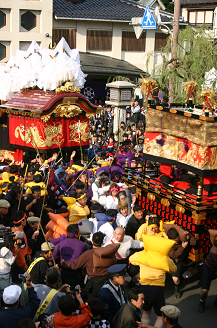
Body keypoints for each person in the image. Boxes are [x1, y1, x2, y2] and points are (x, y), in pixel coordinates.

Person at [60, 232, 118, 300]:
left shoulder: (88, 254)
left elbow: (75, 266)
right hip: (107, 282)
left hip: (94, 284)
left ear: (92, 240)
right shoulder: (107, 253)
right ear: (102, 242)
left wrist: (64, 263)